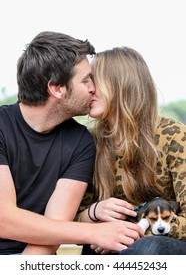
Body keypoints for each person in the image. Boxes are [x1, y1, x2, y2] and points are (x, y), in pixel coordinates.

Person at [0, 33, 144, 255]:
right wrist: (94, 233)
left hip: (30, 260)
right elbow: (4, 220)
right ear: (57, 89)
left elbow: (54, 232)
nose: (93, 89)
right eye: (86, 80)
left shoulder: (81, 142)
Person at [76, 46, 186, 255]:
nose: (88, 88)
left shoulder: (176, 137)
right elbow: (69, 218)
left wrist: (133, 232)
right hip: (109, 245)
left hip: (162, 245)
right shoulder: (87, 142)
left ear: (120, 85)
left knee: (149, 248)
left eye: (94, 80)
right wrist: (94, 216)